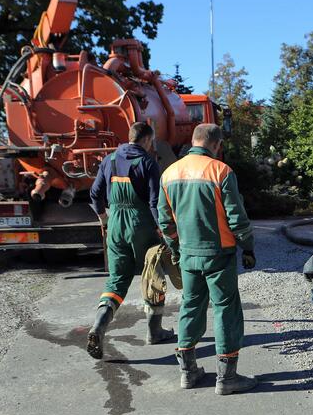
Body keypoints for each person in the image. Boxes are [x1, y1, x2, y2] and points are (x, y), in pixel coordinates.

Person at [158, 123, 258, 395]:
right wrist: (247, 248)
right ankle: (227, 378)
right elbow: (237, 218)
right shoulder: (220, 171)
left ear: (193, 140)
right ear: (216, 144)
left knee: (190, 306)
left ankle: (188, 373)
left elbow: (165, 220)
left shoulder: (169, 173)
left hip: (188, 254)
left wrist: (176, 250)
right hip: (219, 255)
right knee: (226, 309)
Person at [86, 121, 175, 360]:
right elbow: (155, 203)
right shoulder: (147, 162)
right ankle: (154, 332)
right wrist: (164, 231)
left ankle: (99, 326)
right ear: (147, 139)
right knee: (152, 276)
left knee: (117, 280)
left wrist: (104, 219)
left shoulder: (110, 160)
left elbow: (94, 194)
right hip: (142, 225)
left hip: (115, 224)